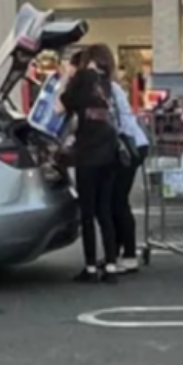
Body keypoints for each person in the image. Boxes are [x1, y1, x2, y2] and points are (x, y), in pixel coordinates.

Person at [59, 43, 121, 283]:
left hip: (88, 155)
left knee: (88, 213)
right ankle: (112, 266)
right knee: (104, 211)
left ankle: (91, 267)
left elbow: (58, 107)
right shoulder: (107, 85)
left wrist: (65, 78)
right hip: (110, 154)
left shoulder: (83, 78)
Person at [92, 43, 148, 274]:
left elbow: (122, 121)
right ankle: (118, 251)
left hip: (130, 147)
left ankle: (129, 255)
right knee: (113, 201)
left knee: (118, 201)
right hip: (126, 146)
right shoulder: (104, 87)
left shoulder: (109, 89)